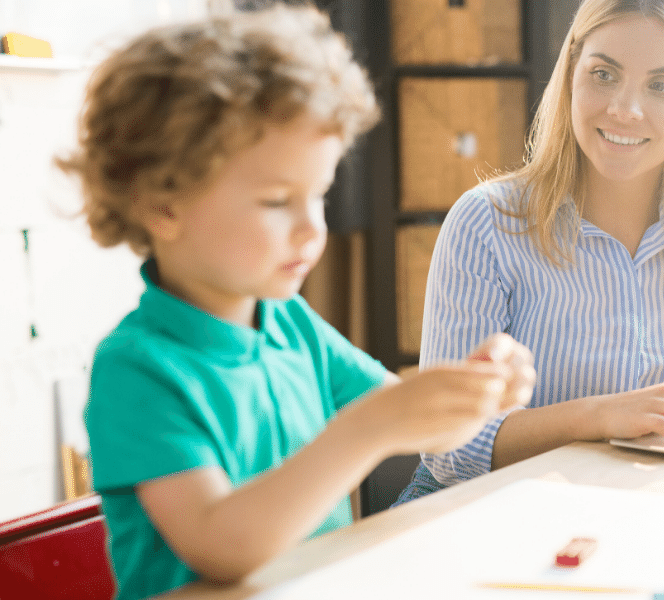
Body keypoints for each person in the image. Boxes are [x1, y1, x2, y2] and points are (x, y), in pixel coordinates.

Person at [58, 6, 534, 600]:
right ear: (163, 205)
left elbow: (421, 429)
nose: (313, 230)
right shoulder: (137, 368)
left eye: (320, 194)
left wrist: (475, 390)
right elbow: (221, 548)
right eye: (278, 200)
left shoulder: (289, 324)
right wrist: (367, 431)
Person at [395, 0, 664, 505]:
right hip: (479, 512)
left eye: (661, 85)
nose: (625, 109)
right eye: (604, 74)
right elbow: (448, 445)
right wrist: (602, 416)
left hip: (636, 505)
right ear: (571, 74)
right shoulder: (487, 224)